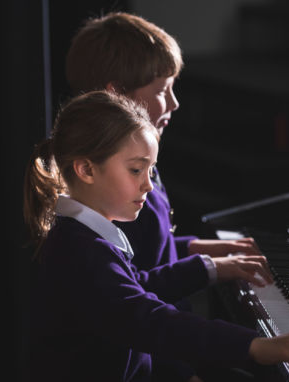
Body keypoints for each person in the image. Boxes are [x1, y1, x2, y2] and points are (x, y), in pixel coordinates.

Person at [22, 90, 289, 381]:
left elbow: (132, 289)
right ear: (86, 170)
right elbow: (146, 318)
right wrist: (252, 345)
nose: (148, 186)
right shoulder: (82, 252)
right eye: (136, 170)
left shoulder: (83, 235)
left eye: (151, 171)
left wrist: (209, 267)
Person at [65, 12, 262, 275]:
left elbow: (152, 252)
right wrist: (208, 269)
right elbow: (131, 282)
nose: (174, 103)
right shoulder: (111, 182)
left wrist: (203, 248)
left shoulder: (136, 161)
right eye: (161, 90)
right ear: (117, 94)